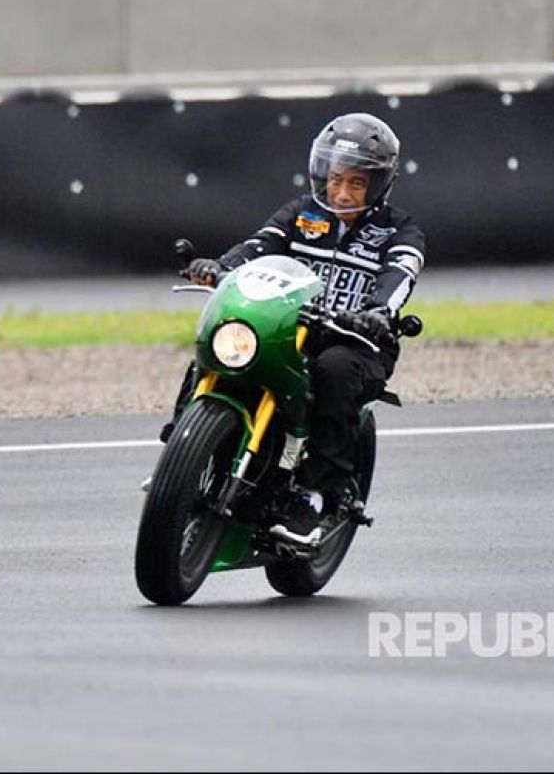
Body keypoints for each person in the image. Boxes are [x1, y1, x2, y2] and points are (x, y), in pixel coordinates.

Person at [181, 113, 425, 541]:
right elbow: (260, 245)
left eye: (355, 183)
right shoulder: (301, 213)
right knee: (228, 339)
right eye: (335, 179)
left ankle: (315, 495)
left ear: (378, 184)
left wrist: (377, 313)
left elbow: (399, 275)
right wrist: (220, 267)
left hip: (359, 340)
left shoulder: (399, 230)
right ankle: (182, 449)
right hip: (293, 325)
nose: (342, 192)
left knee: (334, 372)